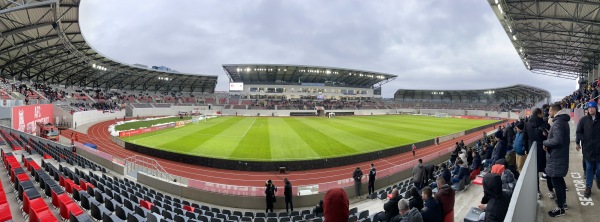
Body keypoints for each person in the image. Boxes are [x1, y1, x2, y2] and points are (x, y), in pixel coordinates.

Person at [543, 103, 570, 217]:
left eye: (549, 111)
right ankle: (563, 204)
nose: (548, 113)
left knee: (557, 183)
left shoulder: (558, 123)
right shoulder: (561, 121)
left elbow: (558, 140)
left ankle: (560, 209)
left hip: (556, 158)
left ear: (554, 111)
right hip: (559, 157)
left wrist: (545, 142)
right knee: (559, 182)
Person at [522, 108, 550, 199]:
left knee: (535, 172)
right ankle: (551, 190)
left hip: (532, 151)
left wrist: (526, 149)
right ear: (539, 114)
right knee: (548, 170)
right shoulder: (545, 124)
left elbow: (524, 138)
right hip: (544, 151)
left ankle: (537, 191)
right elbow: (550, 138)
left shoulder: (527, 124)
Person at [576, 101, 600, 198]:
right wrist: (580, 141)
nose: (591, 109)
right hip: (588, 149)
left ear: (596, 108)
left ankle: (598, 179)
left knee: (599, 168)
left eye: (592, 108)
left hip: (599, 149)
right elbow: (579, 132)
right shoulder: (583, 120)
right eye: (589, 108)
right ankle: (588, 187)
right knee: (589, 168)